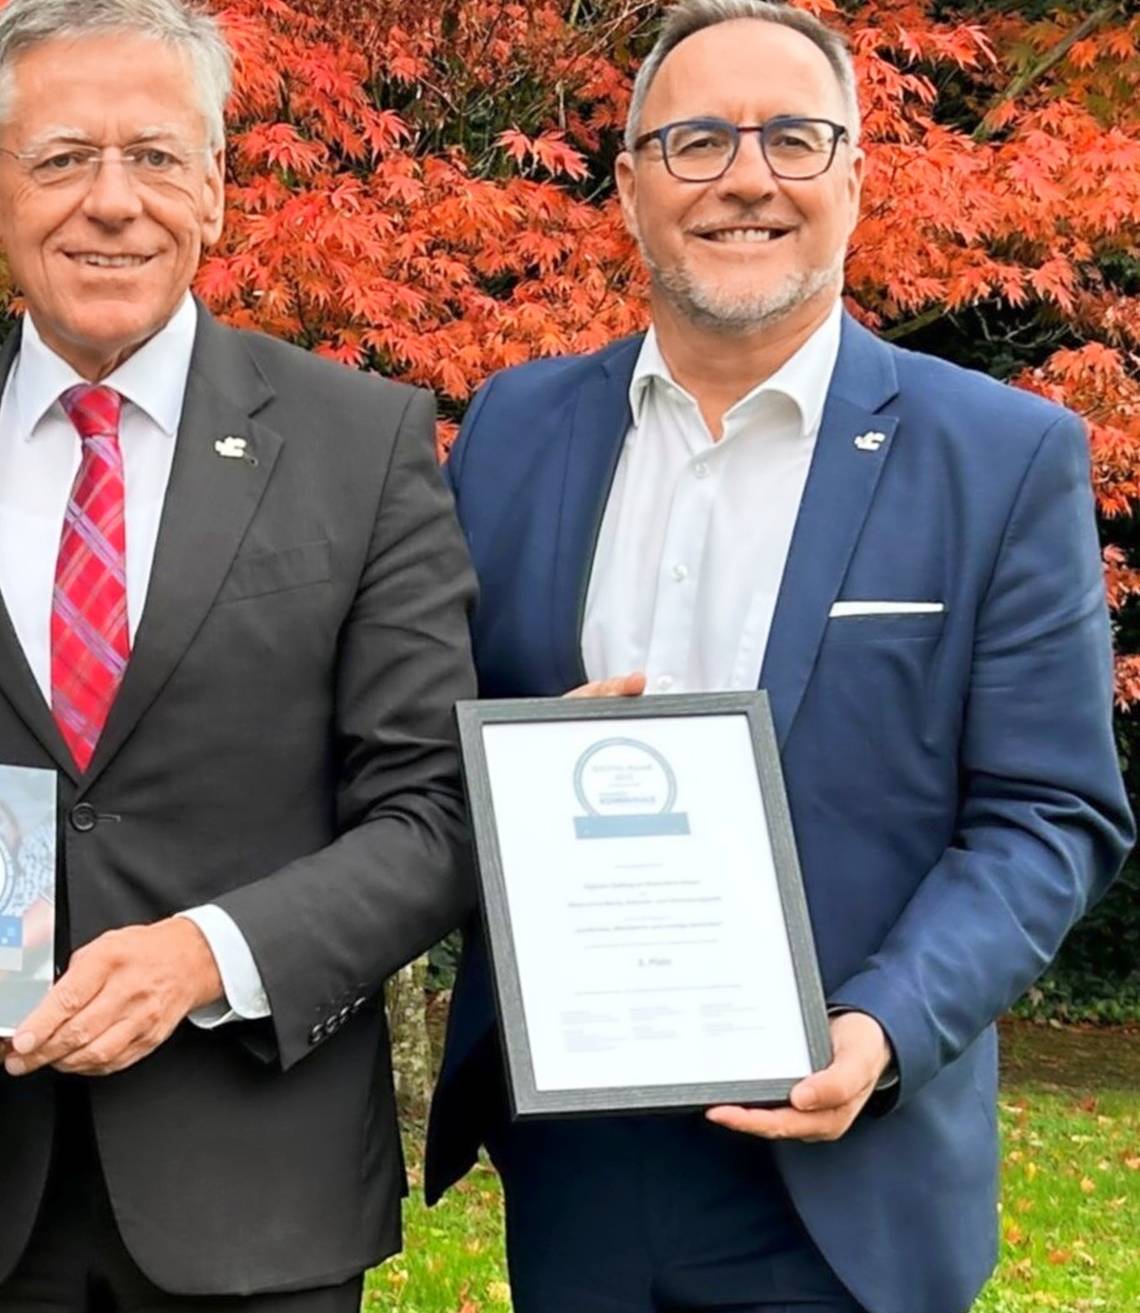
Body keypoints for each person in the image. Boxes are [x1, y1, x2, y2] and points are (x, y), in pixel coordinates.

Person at [423, 5, 1134, 1312]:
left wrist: (883, 1028)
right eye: (695, 142)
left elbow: (1050, 809)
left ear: (855, 179)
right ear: (630, 190)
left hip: (846, 1173)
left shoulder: (1000, 458)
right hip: (577, 1156)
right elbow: (419, 741)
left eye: (794, 139)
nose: (747, 176)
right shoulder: (516, 429)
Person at [0, 0, 480, 1307]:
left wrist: (202, 954)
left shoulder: (360, 443)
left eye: (156, 156)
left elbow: (434, 811)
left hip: (261, 1198)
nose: (114, 201)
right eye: (62, 159)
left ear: (215, 189)